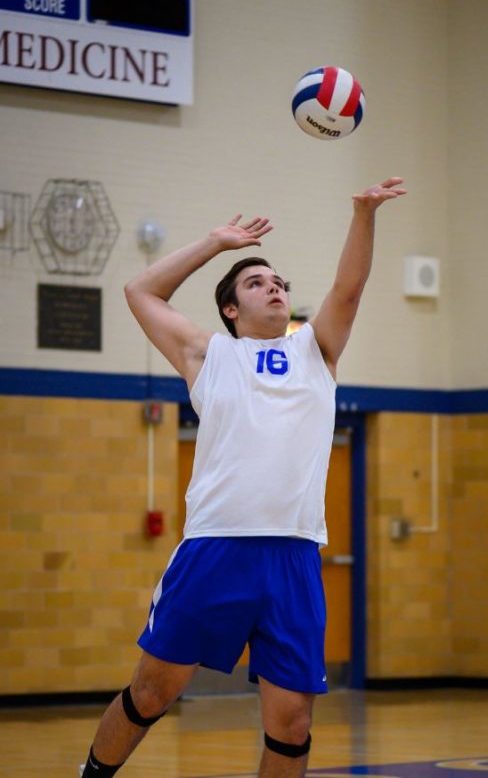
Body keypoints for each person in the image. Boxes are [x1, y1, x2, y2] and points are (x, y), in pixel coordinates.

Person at [79, 176, 406, 777]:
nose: (274, 287)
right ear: (231, 308)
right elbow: (139, 289)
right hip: (216, 547)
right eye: (257, 283)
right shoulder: (209, 354)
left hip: (295, 555)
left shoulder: (317, 351)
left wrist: (363, 213)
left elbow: (350, 289)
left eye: (279, 282)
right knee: (151, 694)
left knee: (293, 725)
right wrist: (214, 243)